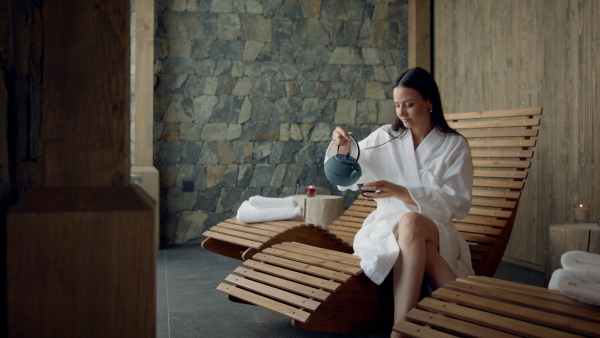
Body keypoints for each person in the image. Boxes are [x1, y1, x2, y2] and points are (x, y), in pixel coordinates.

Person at [326, 67, 474, 335]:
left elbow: (457, 203)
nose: (401, 113)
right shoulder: (385, 137)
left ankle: (400, 331)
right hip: (387, 226)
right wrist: (343, 147)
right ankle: (461, 318)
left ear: (430, 102)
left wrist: (401, 191)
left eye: (409, 104)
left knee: (412, 221)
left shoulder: (454, 145)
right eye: (397, 105)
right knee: (414, 233)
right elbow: (346, 174)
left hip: (435, 227)